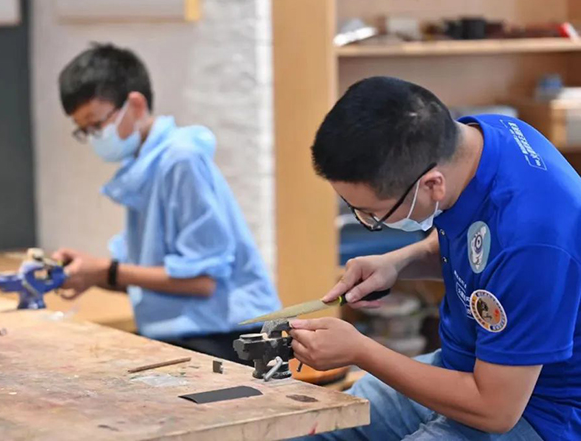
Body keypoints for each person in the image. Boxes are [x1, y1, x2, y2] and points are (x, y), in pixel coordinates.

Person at [290, 77, 580, 440]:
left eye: (373, 213)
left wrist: (360, 351)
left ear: (432, 184)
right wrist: (397, 263)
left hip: (536, 410)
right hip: (462, 366)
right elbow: (477, 247)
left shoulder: (533, 239)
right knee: (319, 423)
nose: (367, 221)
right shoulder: (478, 140)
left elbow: (495, 411)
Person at [52, 43, 281, 363]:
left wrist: (107, 270)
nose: (94, 138)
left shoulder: (180, 159)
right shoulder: (143, 167)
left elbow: (202, 281)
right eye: (84, 131)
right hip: (193, 334)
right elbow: (146, 276)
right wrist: (89, 273)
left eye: (97, 124)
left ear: (135, 104)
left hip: (229, 338)